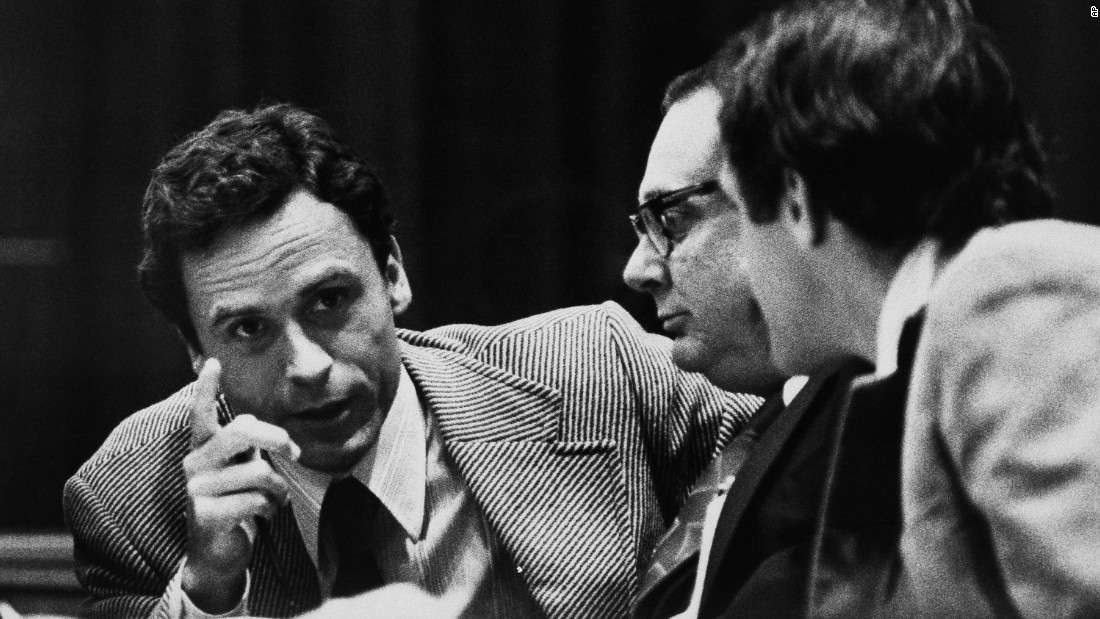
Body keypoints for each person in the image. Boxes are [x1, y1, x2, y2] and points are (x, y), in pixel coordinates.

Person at [62, 103, 761, 619]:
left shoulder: (590, 373)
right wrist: (210, 590)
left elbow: (802, 435)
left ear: (392, 274)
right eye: (249, 329)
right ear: (194, 351)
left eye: (330, 300)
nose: (306, 364)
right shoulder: (130, 500)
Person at [714, 0, 1100, 616]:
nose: (741, 266)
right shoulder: (919, 359)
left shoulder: (1002, 290)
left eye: (736, 216)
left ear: (795, 201)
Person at [622, 64, 871, 619]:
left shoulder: (879, 403)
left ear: (795, 201)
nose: (637, 269)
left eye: (671, 217)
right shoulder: (777, 410)